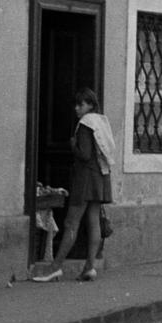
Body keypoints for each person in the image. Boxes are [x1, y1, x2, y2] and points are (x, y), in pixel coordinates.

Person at [33, 88, 116, 283]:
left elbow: (84, 154)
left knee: (71, 222)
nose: (76, 108)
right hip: (100, 176)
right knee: (93, 220)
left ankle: (55, 267)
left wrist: (73, 145)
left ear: (91, 105)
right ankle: (90, 267)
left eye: (81, 104)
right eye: (76, 105)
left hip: (85, 178)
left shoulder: (85, 124)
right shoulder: (101, 122)